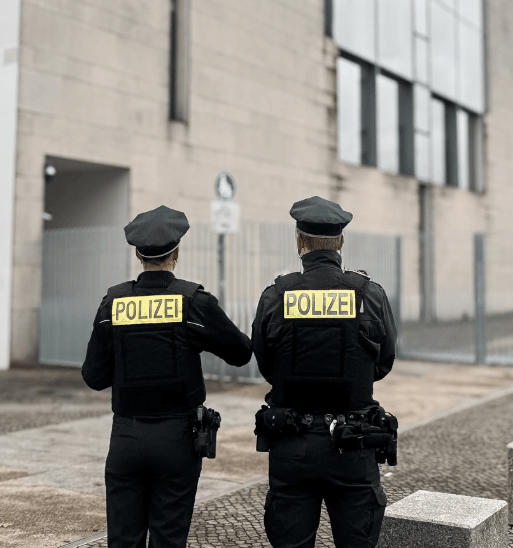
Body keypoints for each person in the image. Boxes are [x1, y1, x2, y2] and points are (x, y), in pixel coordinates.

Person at [82, 205, 252, 548]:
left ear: (138, 254)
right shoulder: (193, 301)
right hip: (178, 439)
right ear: (176, 252)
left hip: (126, 437)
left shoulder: (114, 302)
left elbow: (94, 377)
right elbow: (240, 353)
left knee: (123, 540)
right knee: (169, 538)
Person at [251, 196, 398, 548]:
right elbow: (383, 362)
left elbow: (266, 364)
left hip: (292, 445)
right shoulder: (369, 294)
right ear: (341, 242)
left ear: (299, 242)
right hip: (354, 444)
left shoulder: (276, 295)